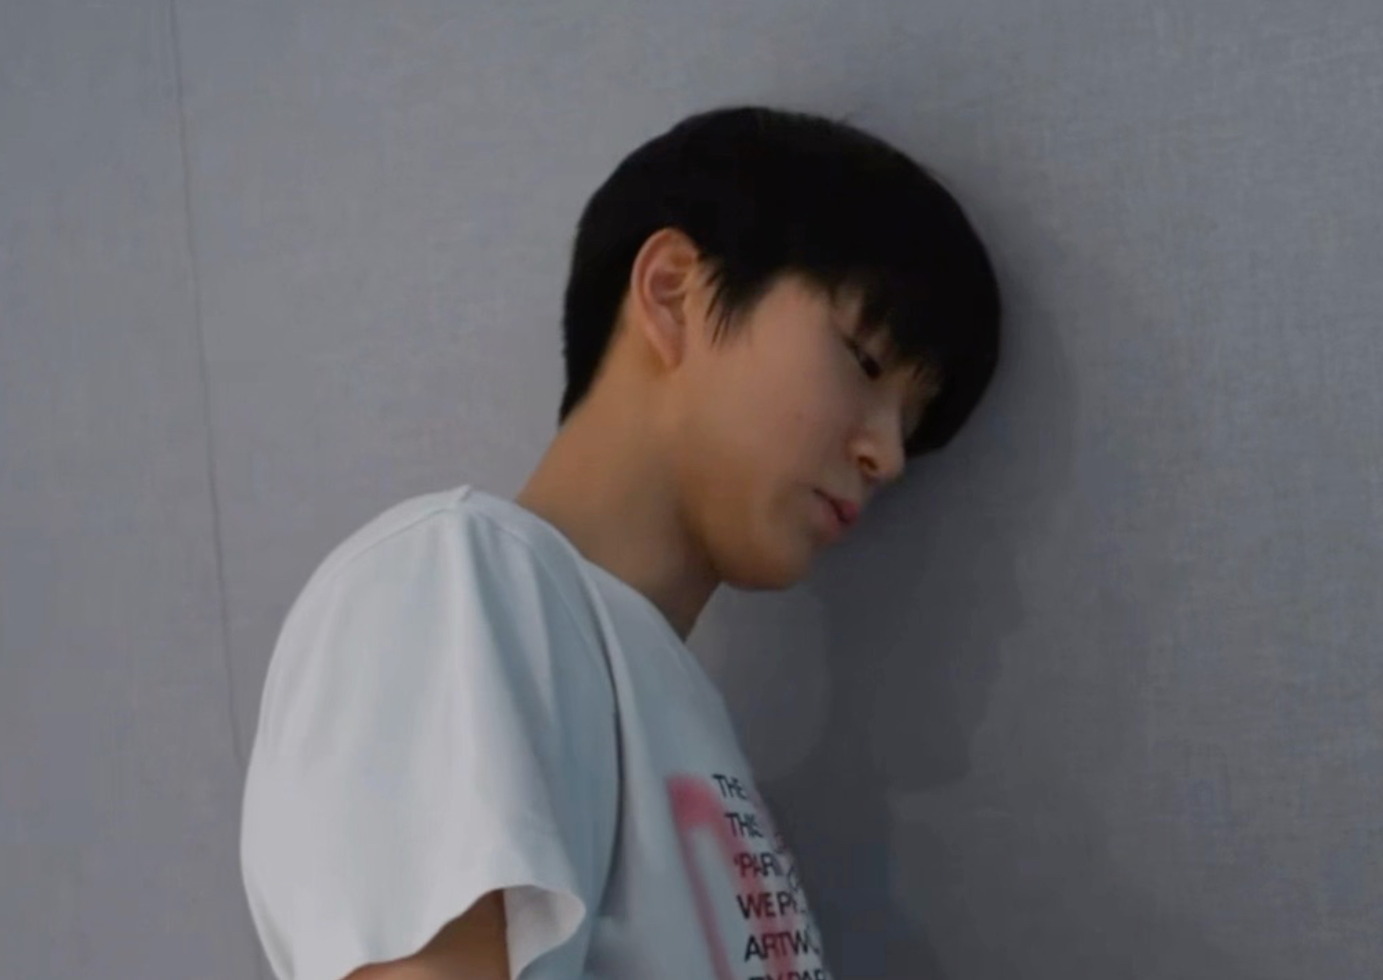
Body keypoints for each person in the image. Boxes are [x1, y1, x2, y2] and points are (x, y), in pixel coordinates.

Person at [238, 105, 1001, 980]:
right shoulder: (457, 580)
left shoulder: (660, 699)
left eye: (910, 423)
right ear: (673, 291)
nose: (888, 455)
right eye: (864, 362)